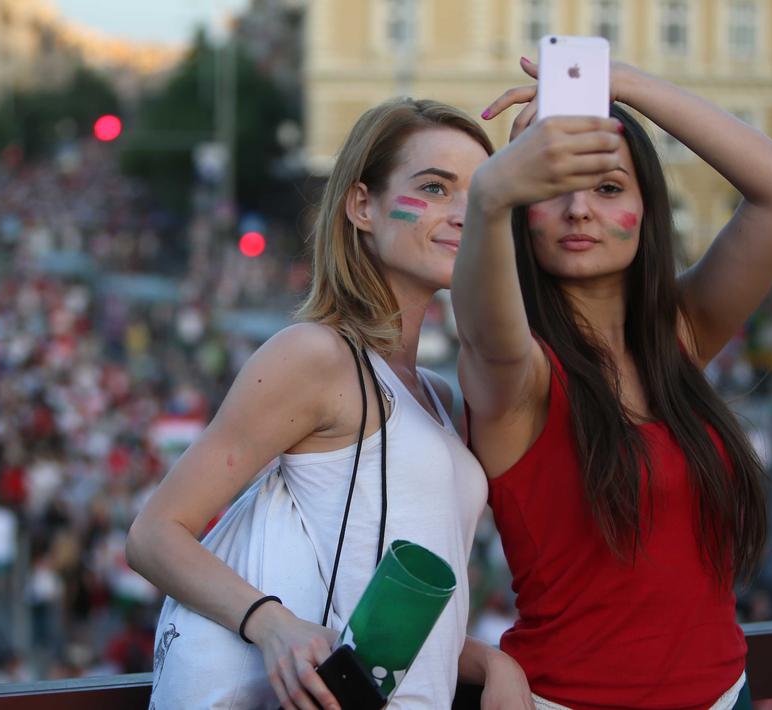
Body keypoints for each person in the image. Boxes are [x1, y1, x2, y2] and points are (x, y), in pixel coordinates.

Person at [126, 98, 531, 709]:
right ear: (361, 205)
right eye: (433, 188)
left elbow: (375, 594)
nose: (460, 215)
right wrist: (271, 623)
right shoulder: (315, 356)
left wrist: (491, 662)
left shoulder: (439, 396)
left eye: (478, 197)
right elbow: (155, 533)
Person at [452, 57, 772, 709]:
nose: (577, 209)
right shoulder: (520, 374)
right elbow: (481, 325)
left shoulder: (680, 334)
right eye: (550, 188)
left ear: (647, 209)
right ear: (519, 214)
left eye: (608, 188)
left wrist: (622, 86)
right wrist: (489, 193)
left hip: (726, 695)